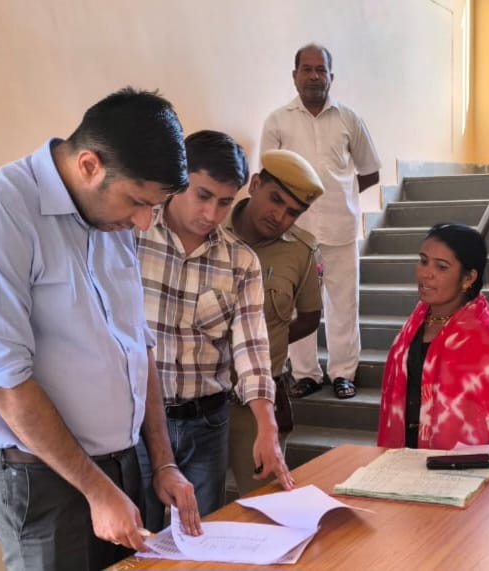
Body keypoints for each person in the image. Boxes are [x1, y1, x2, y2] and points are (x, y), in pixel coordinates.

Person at [0, 88, 202, 571]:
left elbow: (136, 346)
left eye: (155, 207)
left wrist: (162, 461)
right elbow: (1, 380)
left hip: (123, 466)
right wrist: (97, 490)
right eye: (137, 202)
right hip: (41, 479)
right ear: (89, 165)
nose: (144, 223)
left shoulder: (112, 223)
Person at [136, 130, 295, 531]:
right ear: (179, 180)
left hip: (205, 424)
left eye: (225, 202)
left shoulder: (241, 262)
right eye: (202, 195)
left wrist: (267, 426)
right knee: (138, 541)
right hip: (134, 423)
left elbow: (252, 349)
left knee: (201, 538)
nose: (211, 213)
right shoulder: (131, 237)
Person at [261, 43, 381, 400]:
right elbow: (268, 178)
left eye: (320, 70)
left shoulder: (349, 119)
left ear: (331, 76)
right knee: (296, 307)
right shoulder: (277, 121)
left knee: (344, 304)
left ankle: (343, 373)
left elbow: (370, 171)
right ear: (295, 75)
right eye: (307, 69)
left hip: (340, 230)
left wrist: (341, 196)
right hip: (294, 235)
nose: (314, 76)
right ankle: (305, 374)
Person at [376, 224, 489, 457]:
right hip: (406, 458)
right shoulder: (418, 320)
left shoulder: (474, 338)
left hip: (455, 464)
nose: (425, 273)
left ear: (468, 278)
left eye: (441, 267)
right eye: (423, 261)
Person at [224, 149, 326, 496]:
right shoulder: (209, 230)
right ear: (255, 184)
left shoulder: (301, 251)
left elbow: (310, 317)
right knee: (198, 505)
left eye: (293, 212)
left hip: (260, 404)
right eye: (275, 199)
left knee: (266, 502)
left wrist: (265, 344)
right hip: (201, 397)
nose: (279, 216)